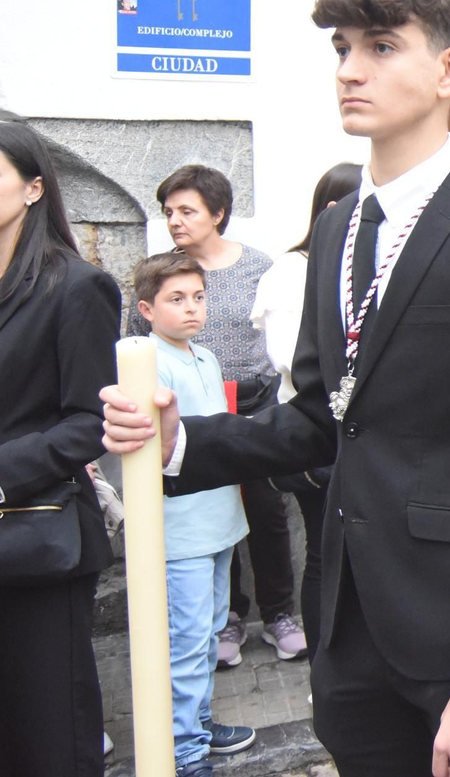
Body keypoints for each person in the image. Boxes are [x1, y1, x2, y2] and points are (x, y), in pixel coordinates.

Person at [102, 0, 450, 777]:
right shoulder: (335, 232)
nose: (349, 72)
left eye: (379, 47)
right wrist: (184, 441)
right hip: (351, 633)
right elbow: (321, 416)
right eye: (340, 50)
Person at [0, 121, 120, 776]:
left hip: (36, 538)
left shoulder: (75, 286)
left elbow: (90, 423)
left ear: (33, 188)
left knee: (51, 735)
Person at [130, 163, 305, 667]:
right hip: (190, 413)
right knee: (210, 504)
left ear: (218, 213)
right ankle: (226, 619)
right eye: (169, 212)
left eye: (187, 210)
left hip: (253, 402)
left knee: (266, 511)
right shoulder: (164, 270)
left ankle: (278, 615)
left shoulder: (258, 266)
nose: (176, 221)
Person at [135, 253, 257, 773]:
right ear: (146, 308)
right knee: (184, 641)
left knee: (208, 632)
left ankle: (199, 723)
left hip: (220, 519)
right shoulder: (146, 361)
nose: (191, 309)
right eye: (176, 299)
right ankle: (182, 749)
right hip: (180, 527)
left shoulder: (205, 357)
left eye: (199, 297)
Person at [249, 162, 362, 664]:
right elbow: (292, 359)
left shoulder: (361, 263)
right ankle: (325, 664)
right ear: (334, 211)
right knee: (325, 550)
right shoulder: (291, 272)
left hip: (359, 437)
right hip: (315, 435)